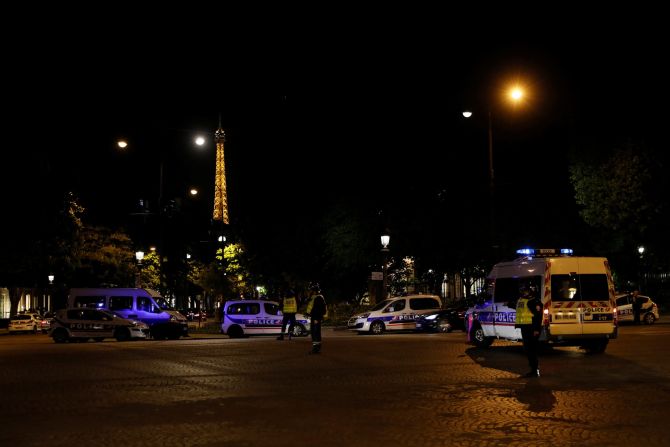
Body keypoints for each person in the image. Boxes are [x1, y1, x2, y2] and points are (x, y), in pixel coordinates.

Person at [515, 283, 543, 378]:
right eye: (522, 291)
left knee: (531, 350)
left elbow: (538, 317)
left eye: (525, 291)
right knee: (527, 349)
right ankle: (533, 370)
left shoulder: (533, 301)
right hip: (525, 327)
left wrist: (536, 329)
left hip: (531, 328)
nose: (523, 293)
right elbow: (520, 309)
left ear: (530, 291)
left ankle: (534, 370)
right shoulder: (522, 300)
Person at [305, 283, 327, 355]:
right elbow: (312, 307)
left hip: (316, 318)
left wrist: (316, 319)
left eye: (311, 290)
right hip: (315, 317)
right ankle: (316, 348)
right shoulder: (316, 297)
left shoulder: (318, 298)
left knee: (315, 333)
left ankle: (316, 348)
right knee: (315, 332)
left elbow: (318, 309)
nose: (310, 291)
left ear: (314, 291)